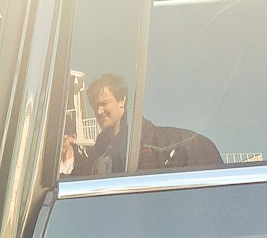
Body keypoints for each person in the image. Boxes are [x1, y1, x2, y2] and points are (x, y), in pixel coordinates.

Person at [79, 73, 222, 176]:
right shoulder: (95, 155)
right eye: (95, 106)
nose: (98, 111)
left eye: (104, 104)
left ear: (122, 102)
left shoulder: (163, 144)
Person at [59, 112, 87, 177]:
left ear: (72, 137)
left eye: (62, 139)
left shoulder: (82, 161)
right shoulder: (46, 162)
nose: (58, 144)